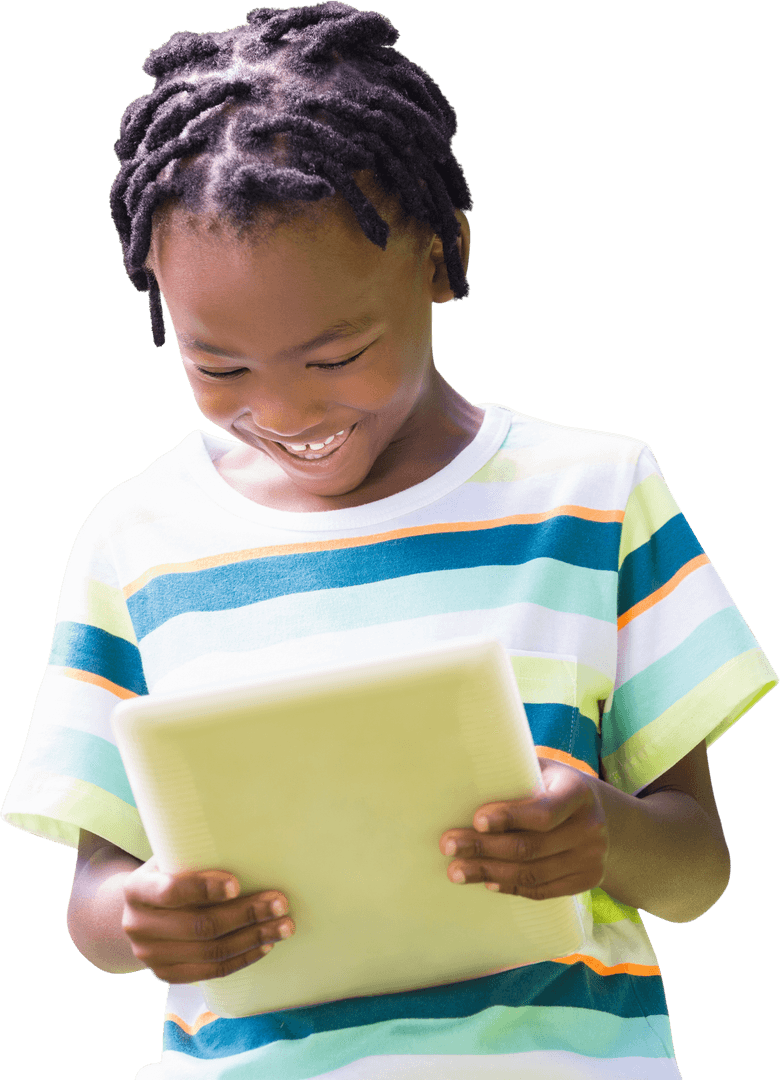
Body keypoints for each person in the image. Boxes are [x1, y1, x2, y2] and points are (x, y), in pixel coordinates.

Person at [2, 3, 776, 1077]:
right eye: (218, 367)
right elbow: (95, 895)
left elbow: (698, 870)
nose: (279, 409)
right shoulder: (137, 539)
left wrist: (604, 831)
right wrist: (141, 916)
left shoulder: (594, 494)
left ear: (441, 257)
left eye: (333, 355)